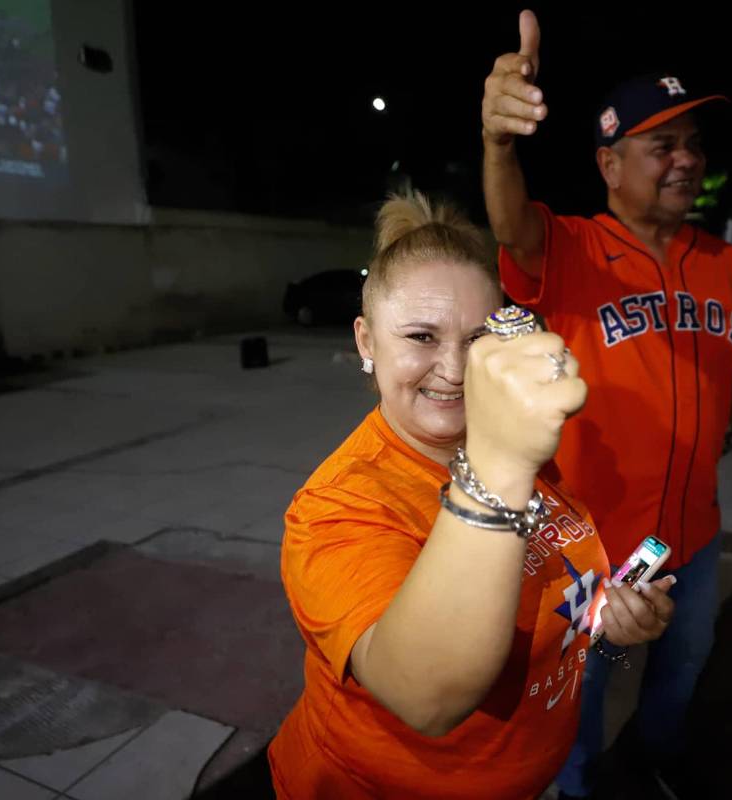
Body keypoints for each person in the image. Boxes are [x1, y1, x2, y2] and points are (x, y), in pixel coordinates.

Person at [267, 192, 676, 799]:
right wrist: (499, 461)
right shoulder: (339, 505)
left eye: (479, 338)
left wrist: (610, 627)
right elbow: (425, 695)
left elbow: (547, 600)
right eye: (421, 336)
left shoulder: (517, 447)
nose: (455, 370)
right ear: (366, 341)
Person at [481, 10, 732, 797]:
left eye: (694, 144)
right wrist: (499, 144)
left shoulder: (726, 265)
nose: (687, 160)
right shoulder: (573, 249)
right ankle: (577, 786)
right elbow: (511, 226)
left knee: (685, 659)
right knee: (583, 681)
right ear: (610, 165)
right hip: (597, 546)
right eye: (663, 145)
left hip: (696, 535)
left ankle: (658, 756)